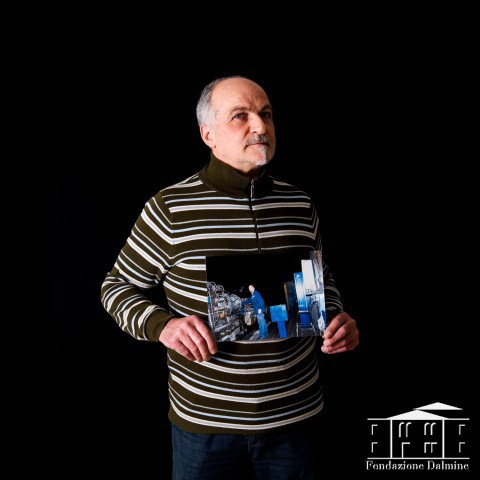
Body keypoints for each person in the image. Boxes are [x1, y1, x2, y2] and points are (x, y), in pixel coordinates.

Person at [101, 76, 359, 479]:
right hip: (205, 428)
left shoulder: (300, 204)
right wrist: (163, 326)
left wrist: (337, 317)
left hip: (296, 420)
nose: (260, 126)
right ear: (208, 135)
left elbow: (321, 280)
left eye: (266, 114)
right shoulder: (170, 208)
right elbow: (116, 287)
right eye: (241, 116)